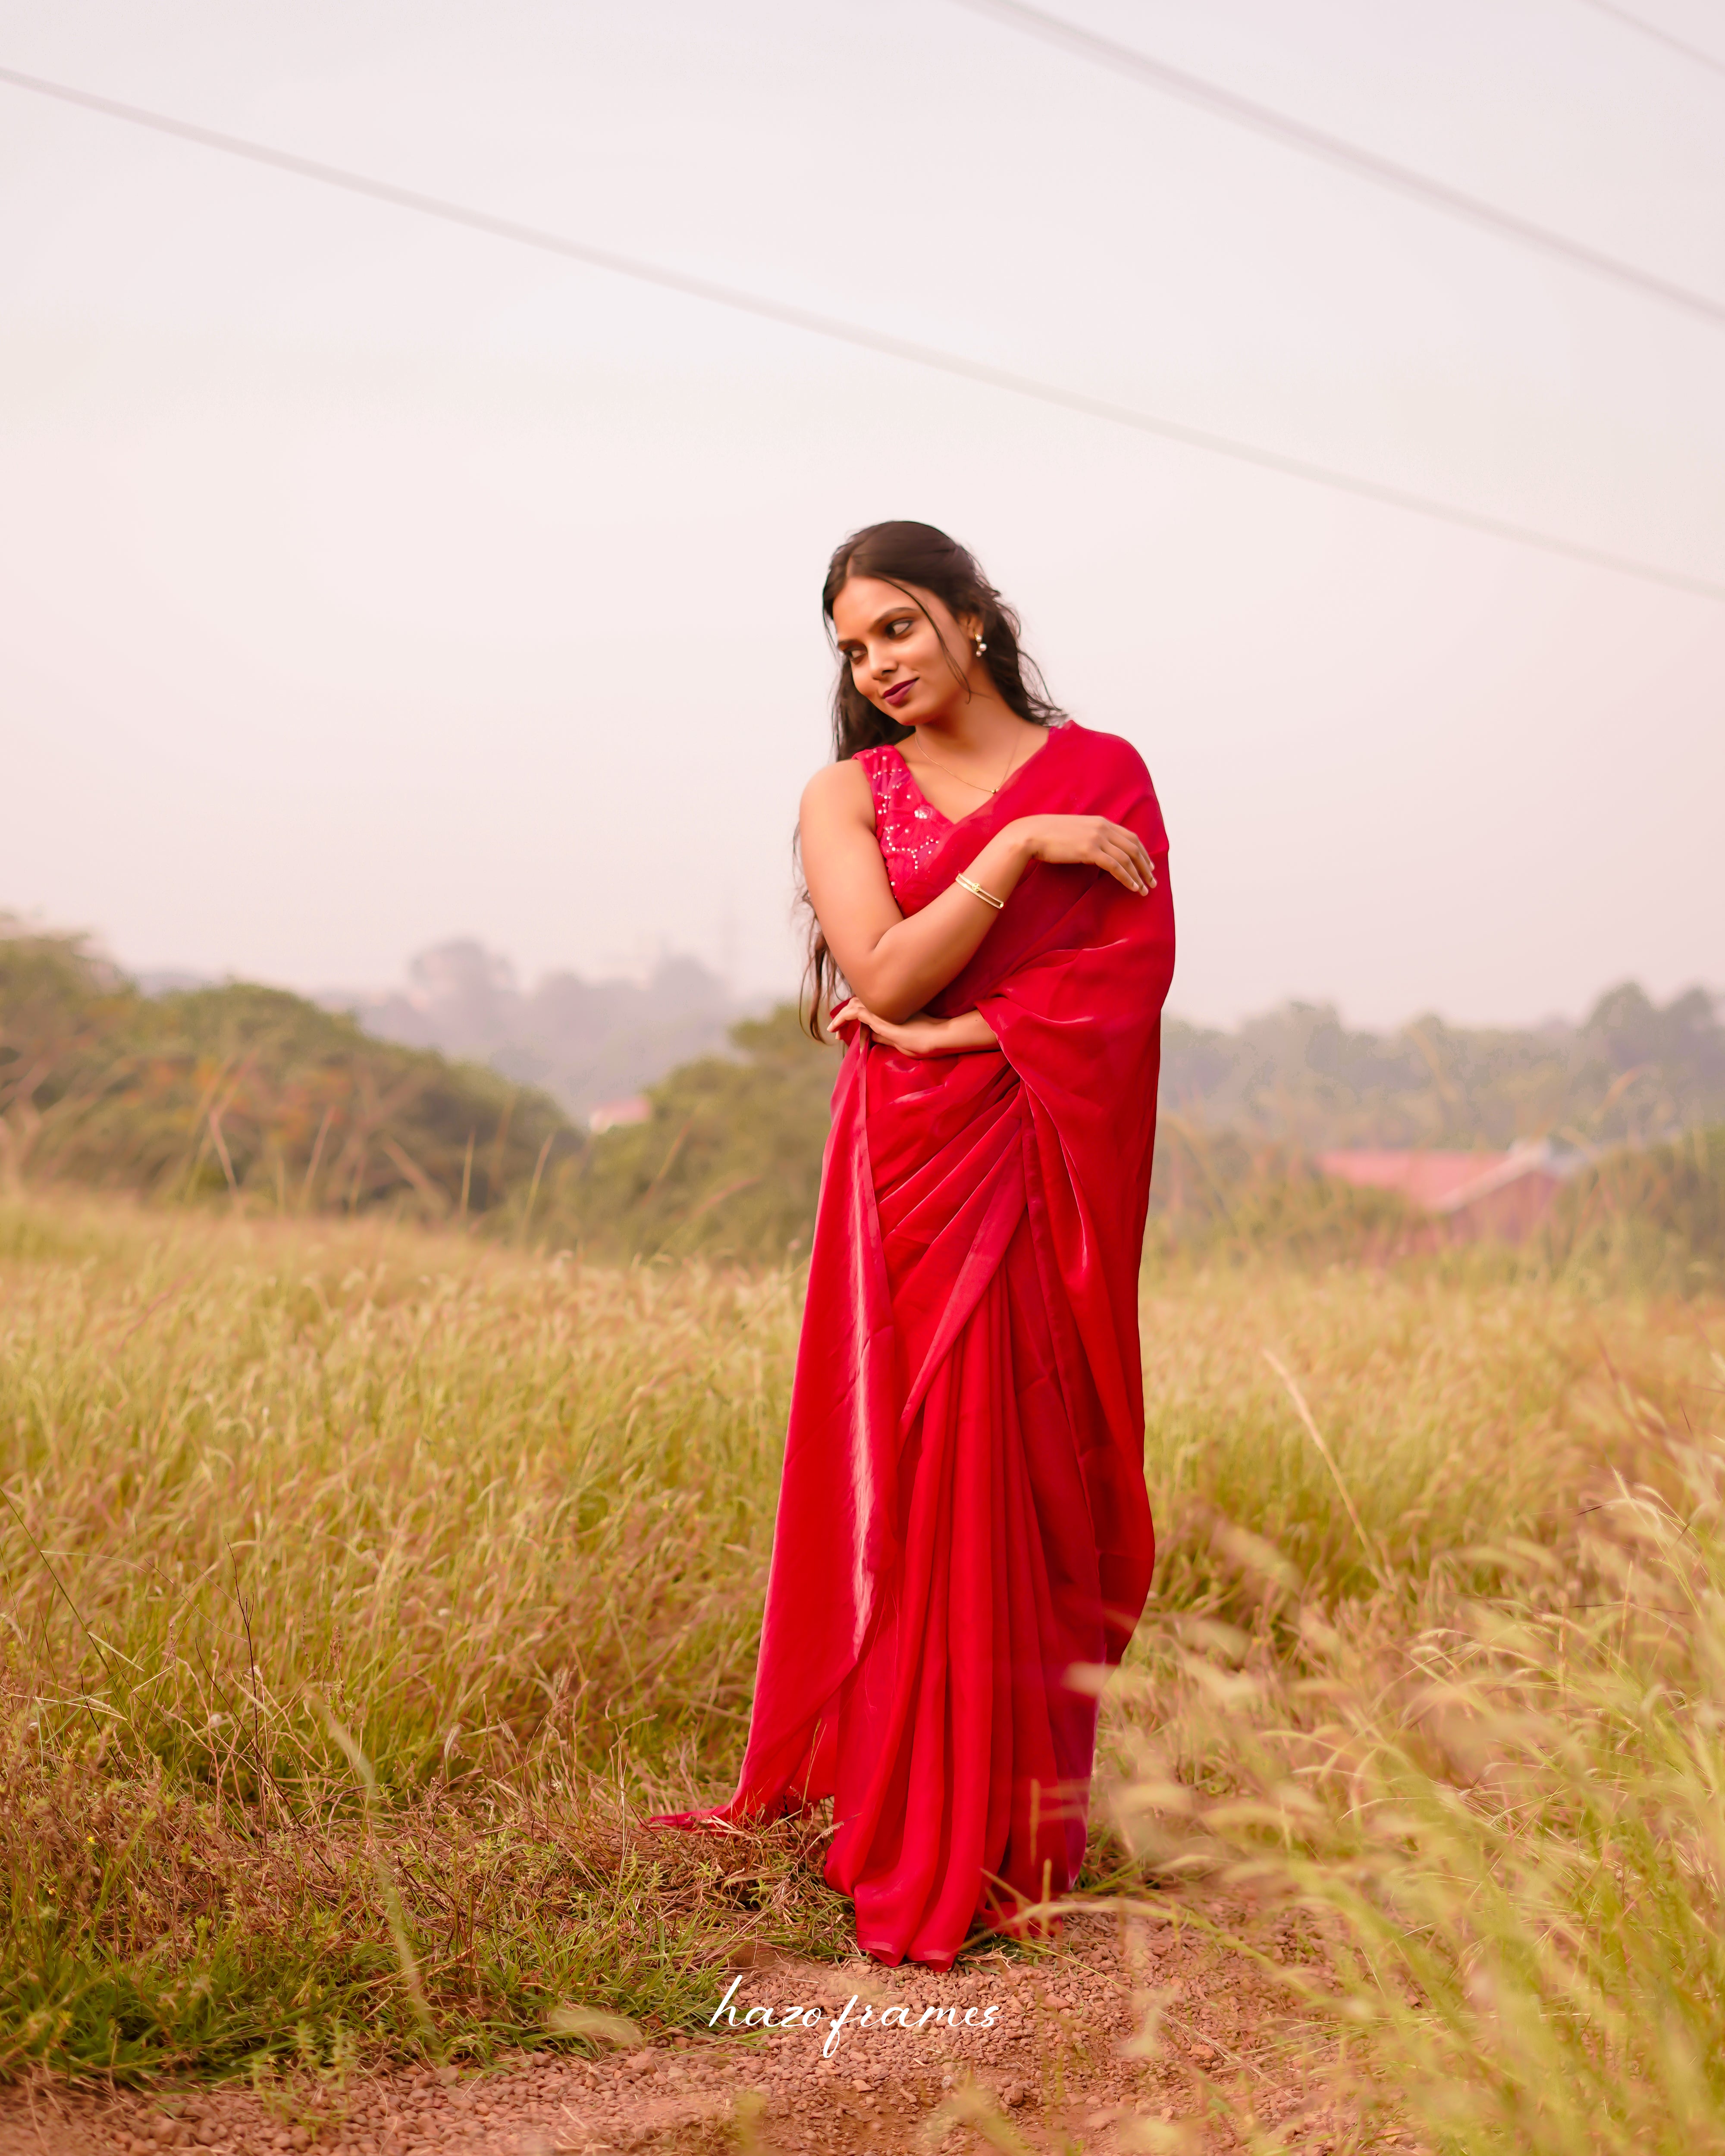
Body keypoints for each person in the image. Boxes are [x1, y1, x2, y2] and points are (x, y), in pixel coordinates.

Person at [653, 520, 1175, 1971]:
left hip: (1030, 1141)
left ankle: (1021, 1827)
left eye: (896, 627)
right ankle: (913, 1807)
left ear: (971, 620)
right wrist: (1015, 845)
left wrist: (972, 1028)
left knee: (1027, 1467)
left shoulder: (1108, 773)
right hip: (909, 1163)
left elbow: (1127, 980)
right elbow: (877, 969)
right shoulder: (843, 795)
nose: (877, 663)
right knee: (921, 1465)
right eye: (851, 646)